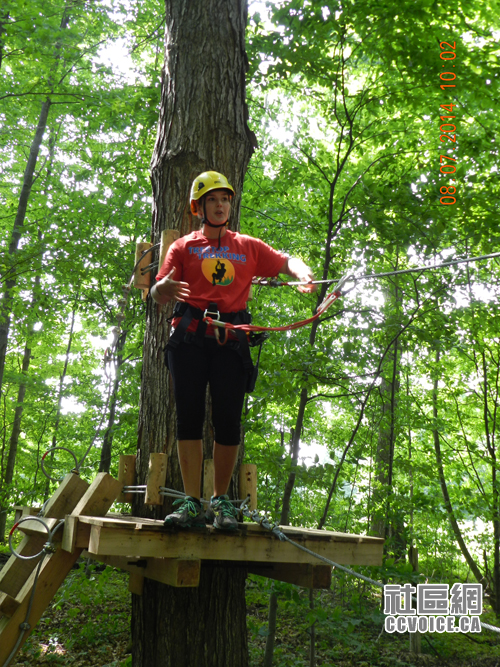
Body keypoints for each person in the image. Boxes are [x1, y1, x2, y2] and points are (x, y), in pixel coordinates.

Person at [151, 171, 315, 530]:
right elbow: (158, 290)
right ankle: (191, 502)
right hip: (190, 340)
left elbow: (285, 261)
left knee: (228, 422)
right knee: (189, 417)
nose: (220, 205)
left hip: (230, 341)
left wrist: (302, 272)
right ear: (199, 207)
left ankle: (221, 500)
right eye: (212, 199)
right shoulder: (184, 247)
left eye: (224, 199)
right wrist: (162, 289)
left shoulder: (247, 247)